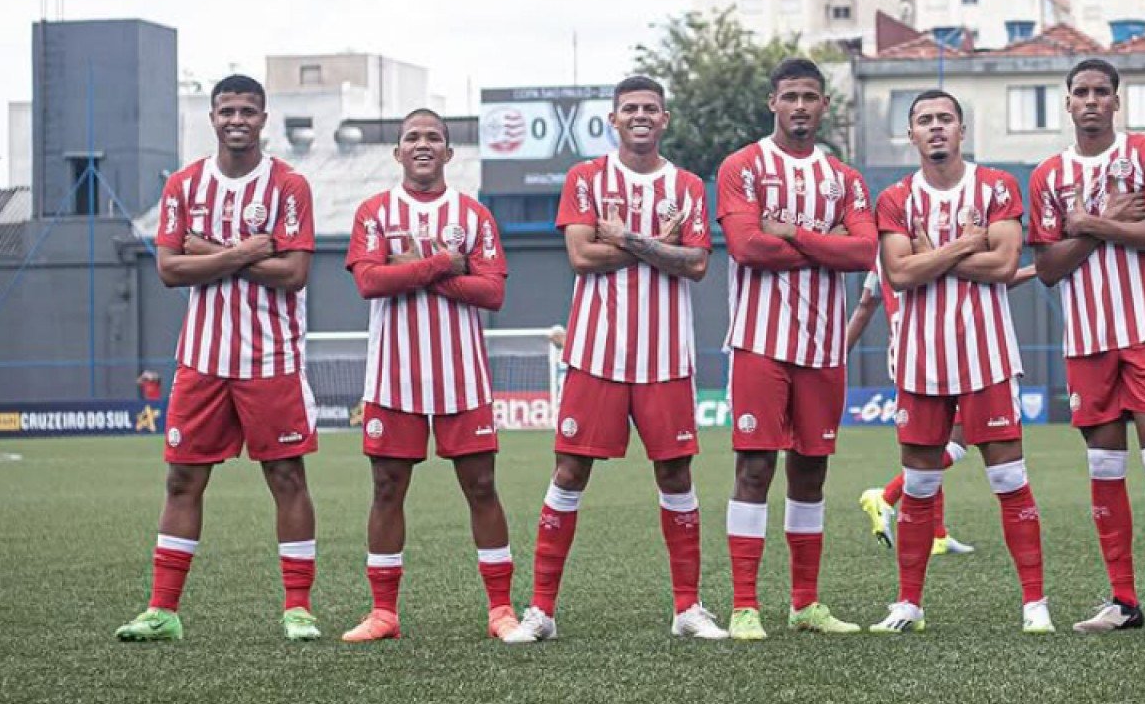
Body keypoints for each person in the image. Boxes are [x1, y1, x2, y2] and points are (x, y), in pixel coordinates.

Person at [507, 76, 726, 644]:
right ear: (613, 118)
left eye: (650, 108)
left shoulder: (685, 185)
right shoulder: (585, 178)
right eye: (630, 108)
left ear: (665, 118)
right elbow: (582, 254)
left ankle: (688, 608)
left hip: (666, 358)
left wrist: (628, 237)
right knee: (570, 471)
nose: (640, 115)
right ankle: (542, 611)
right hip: (596, 355)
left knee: (675, 474)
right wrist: (661, 244)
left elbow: (698, 263)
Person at [116, 75, 320, 643]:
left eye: (248, 111)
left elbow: (294, 275)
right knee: (182, 479)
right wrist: (248, 251)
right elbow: (168, 269)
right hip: (201, 359)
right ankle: (163, 609)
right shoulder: (184, 185)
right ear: (211, 117)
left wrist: (209, 251)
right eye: (227, 109)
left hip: (270, 358)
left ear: (263, 118)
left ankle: (298, 608)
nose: (237, 119)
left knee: (286, 476)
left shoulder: (289, 186)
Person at [866, 89, 1050, 634]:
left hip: (986, 357)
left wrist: (931, 256)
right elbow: (898, 274)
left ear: (962, 130)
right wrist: (965, 245)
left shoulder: (996, 186)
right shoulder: (896, 198)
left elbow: (1005, 263)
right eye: (925, 120)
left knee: (1009, 478)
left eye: (945, 118)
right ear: (912, 135)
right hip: (921, 363)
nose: (936, 127)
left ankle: (1034, 603)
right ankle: (909, 604)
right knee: (919, 486)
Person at [1029, 57, 1145, 634]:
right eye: (1082, 92)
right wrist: (1100, 223)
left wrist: (1091, 225)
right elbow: (1048, 267)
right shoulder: (1048, 177)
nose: (1092, 100)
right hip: (1087, 341)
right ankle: (1123, 601)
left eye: (1102, 91)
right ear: (1068, 102)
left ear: (1116, 100)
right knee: (1104, 463)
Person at [339, 109, 517, 643]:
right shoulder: (375, 211)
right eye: (412, 137)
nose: (423, 144)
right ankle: (383, 613)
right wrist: (446, 264)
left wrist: (413, 269)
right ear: (397, 152)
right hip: (394, 378)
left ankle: (501, 609)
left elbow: (494, 293)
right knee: (387, 487)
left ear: (448, 152)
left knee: (482, 486)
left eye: (433, 138)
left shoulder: (475, 215)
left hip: (462, 375)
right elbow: (370, 282)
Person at [715, 58, 877, 640]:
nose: (801, 106)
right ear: (772, 103)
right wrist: (825, 243)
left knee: (811, 472)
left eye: (811, 96)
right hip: (760, 341)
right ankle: (743, 606)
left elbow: (863, 254)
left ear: (825, 105)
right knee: (755, 468)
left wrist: (794, 234)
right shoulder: (743, 166)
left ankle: (805, 604)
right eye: (791, 97)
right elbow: (747, 248)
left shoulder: (846, 179)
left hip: (824, 346)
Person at [853, 265, 978, 557]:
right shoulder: (927, 245)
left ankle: (938, 535)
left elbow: (864, 305)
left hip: (911, 357)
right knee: (956, 444)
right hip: (935, 357)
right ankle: (886, 495)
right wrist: (1032, 270)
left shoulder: (879, 260)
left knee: (935, 446)